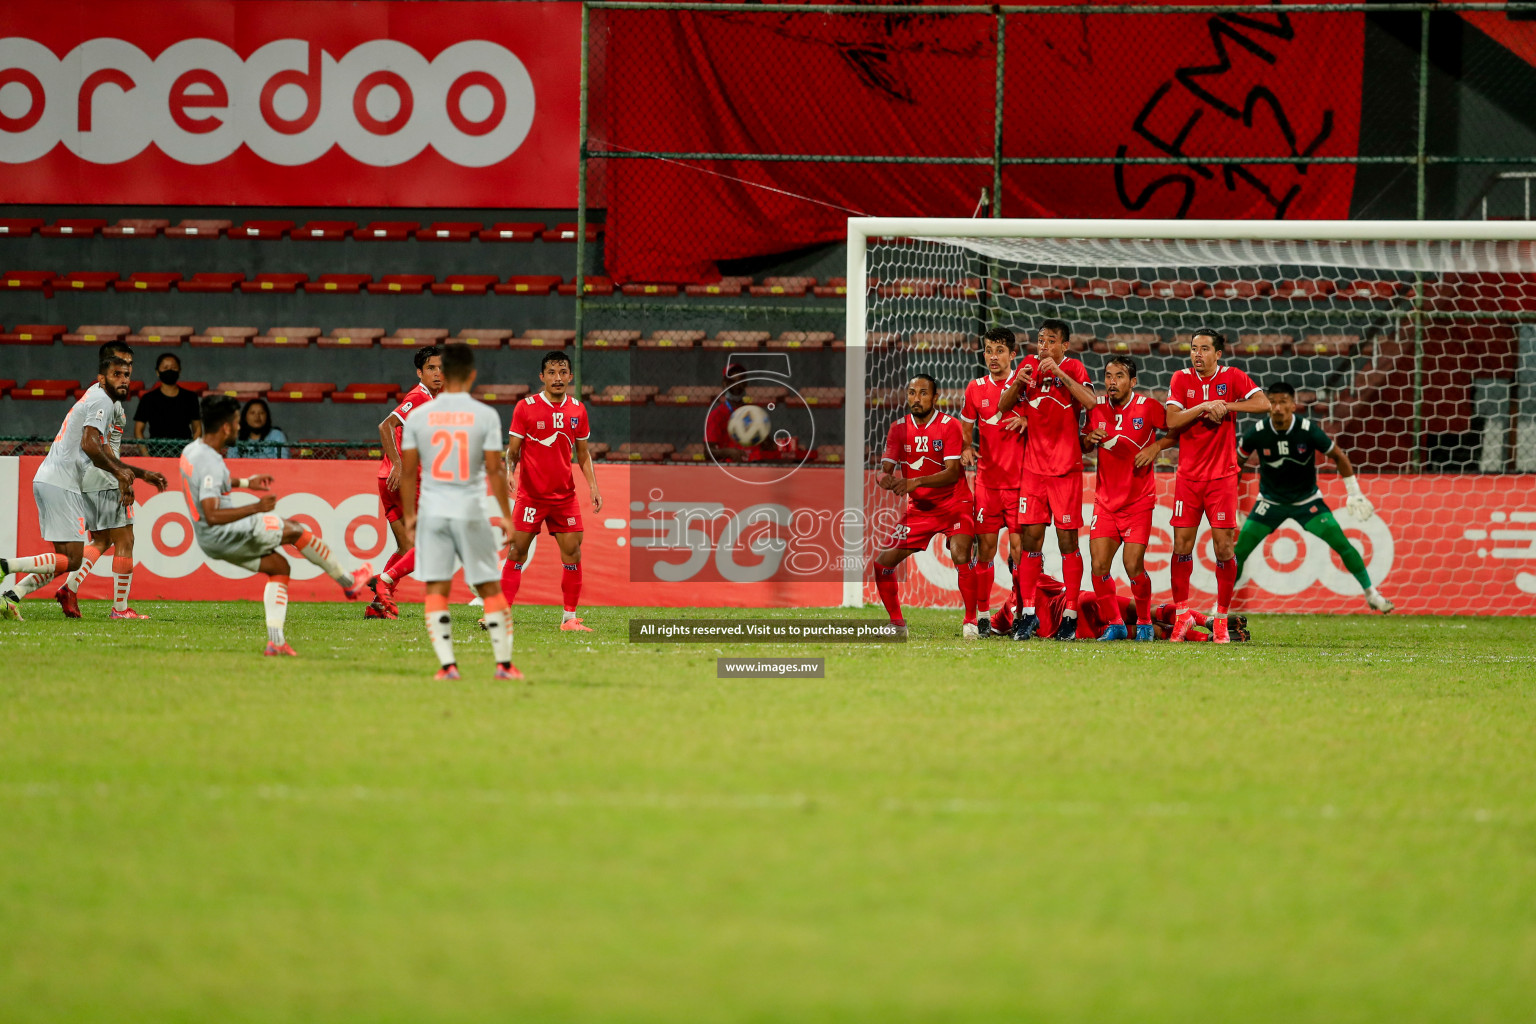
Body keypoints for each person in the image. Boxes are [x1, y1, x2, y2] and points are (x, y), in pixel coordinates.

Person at [180, 395, 370, 655]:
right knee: (295, 529)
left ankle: (276, 642)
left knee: (280, 567)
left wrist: (247, 483)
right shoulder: (211, 461)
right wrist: (257, 507)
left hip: (209, 541)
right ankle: (348, 581)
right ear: (225, 426)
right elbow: (212, 514)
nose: (238, 427)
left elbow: (210, 483)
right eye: (236, 422)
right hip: (226, 531)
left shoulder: (192, 451)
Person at [2, 353, 166, 620]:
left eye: (128, 371)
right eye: (118, 372)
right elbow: (96, 447)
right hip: (77, 479)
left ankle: (14, 596)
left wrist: (137, 473)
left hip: (65, 479)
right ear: (102, 376)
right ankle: (120, 608)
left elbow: (96, 446)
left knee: (74, 555)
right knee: (122, 540)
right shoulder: (105, 401)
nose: (125, 377)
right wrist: (122, 475)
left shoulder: (93, 396)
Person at [399, 343, 519, 680]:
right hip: (470, 510)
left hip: (433, 512)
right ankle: (504, 665)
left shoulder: (419, 415)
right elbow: (496, 472)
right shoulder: (485, 415)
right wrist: (507, 516)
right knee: (490, 588)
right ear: (472, 375)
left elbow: (409, 472)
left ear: (444, 373)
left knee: (436, 589)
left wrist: (410, 516)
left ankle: (447, 666)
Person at [1235, 381, 1394, 613]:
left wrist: (1354, 493)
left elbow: (1338, 456)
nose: (1278, 407)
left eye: (1283, 402)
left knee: (1343, 545)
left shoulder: (1308, 430)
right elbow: (1236, 465)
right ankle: (1221, 606)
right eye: (1273, 402)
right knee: (1237, 553)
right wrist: (1230, 504)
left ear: (1293, 405)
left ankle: (1372, 594)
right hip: (1269, 503)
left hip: (1306, 502)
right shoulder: (1257, 433)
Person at [1165, 327, 1271, 643]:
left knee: (1224, 548)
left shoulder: (1233, 377)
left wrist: (1227, 405)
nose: (1197, 354)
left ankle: (1221, 617)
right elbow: (1171, 421)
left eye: (1204, 349)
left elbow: (1264, 404)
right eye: (1194, 348)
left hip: (1223, 478)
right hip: (1188, 478)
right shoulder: (1180, 379)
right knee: (1181, 546)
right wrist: (1203, 407)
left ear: (1218, 354)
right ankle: (1183, 615)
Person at [997, 318, 1097, 641]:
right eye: (1041, 340)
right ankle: (1027, 614)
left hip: (1066, 471)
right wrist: (1017, 383)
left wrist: (1060, 373)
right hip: (1034, 472)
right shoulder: (1027, 367)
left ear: (1064, 345)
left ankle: (1069, 614)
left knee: (1068, 543)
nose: (1043, 346)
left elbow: (1091, 402)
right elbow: (1002, 407)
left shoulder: (1075, 369)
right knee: (1030, 543)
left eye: (1051, 341)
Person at [500, 350, 603, 632]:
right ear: (542, 377)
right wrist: (509, 472)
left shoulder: (578, 410)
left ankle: (569, 619)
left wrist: (593, 486)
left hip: (564, 498)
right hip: (531, 496)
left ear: (570, 376)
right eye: (552, 373)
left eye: (563, 373)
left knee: (573, 554)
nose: (558, 378)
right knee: (516, 551)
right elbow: (512, 451)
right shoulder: (525, 407)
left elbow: (583, 454)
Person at [870, 375, 974, 637]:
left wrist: (914, 482)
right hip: (919, 511)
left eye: (923, 393)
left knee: (961, 553)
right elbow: (882, 471)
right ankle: (897, 624)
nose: (917, 399)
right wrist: (887, 480)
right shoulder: (898, 429)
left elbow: (952, 473)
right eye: (912, 393)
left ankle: (971, 621)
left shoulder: (950, 426)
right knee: (883, 563)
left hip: (955, 504)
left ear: (935, 398)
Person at [1082, 356, 1172, 641]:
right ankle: (1115, 623)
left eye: (1119, 376)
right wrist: (1089, 439)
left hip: (1138, 502)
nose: (1112, 382)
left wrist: (1156, 446)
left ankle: (1145, 620)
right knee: (1098, 565)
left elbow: (1180, 429)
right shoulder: (1095, 407)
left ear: (1132, 381)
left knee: (1133, 564)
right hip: (1106, 502)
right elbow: (1083, 445)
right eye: (1108, 375)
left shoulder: (1148, 408)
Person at [367, 345, 446, 618]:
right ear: (419, 372)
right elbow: (386, 425)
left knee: (406, 548)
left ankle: (379, 604)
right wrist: (399, 465)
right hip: (403, 479)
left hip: (386, 479)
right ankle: (384, 581)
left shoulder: (436, 399)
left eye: (441, 368)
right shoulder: (419, 397)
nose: (438, 373)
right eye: (431, 368)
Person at [959, 326, 1027, 638]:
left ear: (1013, 354)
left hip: (1020, 484)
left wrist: (1027, 420)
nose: (993, 357)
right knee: (984, 549)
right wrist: (966, 446)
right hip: (987, 483)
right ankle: (982, 617)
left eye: (999, 351)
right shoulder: (975, 388)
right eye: (988, 351)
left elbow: (1044, 419)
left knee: (1020, 551)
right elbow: (966, 423)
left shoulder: (1024, 384)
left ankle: (1021, 613)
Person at [133, 352, 201, 441]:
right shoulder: (148, 398)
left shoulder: (190, 397)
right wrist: (146, 454)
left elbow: (197, 429)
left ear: (179, 371)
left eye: (174, 367)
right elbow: (138, 431)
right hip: (156, 451)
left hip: (184, 450)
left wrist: (191, 452)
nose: (170, 370)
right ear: (157, 372)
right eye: (165, 368)